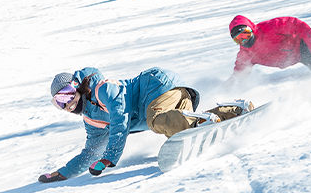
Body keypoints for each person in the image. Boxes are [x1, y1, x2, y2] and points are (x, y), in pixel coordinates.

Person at [39, 66, 251, 183]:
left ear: (76, 87)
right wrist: (65, 172)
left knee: (155, 120)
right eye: (59, 102)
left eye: (67, 95)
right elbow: (91, 152)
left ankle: (202, 121)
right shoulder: (92, 121)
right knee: (177, 131)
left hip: (157, 86)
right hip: (171, 100)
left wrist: (110, 158)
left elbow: (120, 120)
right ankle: (234, 111)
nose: (67, 104)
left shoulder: (103, 89)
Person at [227, 14, 311, 82]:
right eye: (239, 39)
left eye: (246, 34)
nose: (244, 40)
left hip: (301, 46)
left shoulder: (270, 27)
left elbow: (298, 25)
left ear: (251, 29)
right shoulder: (246, 54)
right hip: (296, 57)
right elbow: (239, 74)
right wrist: (227, 88)